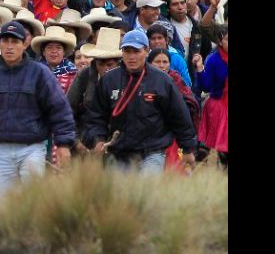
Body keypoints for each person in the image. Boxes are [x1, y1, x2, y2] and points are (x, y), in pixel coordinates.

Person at [0, 21, 75, 197]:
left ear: (25, 44)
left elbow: (59, 109)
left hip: (32, 147)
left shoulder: (40, 73)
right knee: (3, 204)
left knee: (31, 200)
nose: (9, 46)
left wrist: (63, 144)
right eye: (5, 41)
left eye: (15, 42)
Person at [83, 30, 198, 174]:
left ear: (147, 51)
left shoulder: (162, 81)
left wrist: (188, 148)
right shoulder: (109, 80)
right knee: (120, 196)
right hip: (118, 152)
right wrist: (97, 139)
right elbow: (95, 116)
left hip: (152, 152)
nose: (131, 56)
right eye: (127, 51)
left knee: (146, 195)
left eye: (136, 51)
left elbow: (180, 117)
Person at [68, 28, 123, 155]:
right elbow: (68, 111)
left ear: (118, 63)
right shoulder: (85, 77)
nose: (105, 69)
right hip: (85, 139)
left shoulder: (127, 79)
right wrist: (76, 142)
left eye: (109, 65)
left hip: (119, 142)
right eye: (101, 64)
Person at [147, 48, 201, 172]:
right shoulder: (143, 82)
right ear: (149, 63)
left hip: (174, 135)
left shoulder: (176, 80)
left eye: (165, 62)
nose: (162, 65)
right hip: (149, 136)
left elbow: (190, 104)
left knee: (174, 171)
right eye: (157, 62)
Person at [192, 26, 228, 168]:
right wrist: (200, 68)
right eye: (226, 39)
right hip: (218, 106)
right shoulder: (213, 59)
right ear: (220, 42)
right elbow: (206, 86)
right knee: (222, 149)